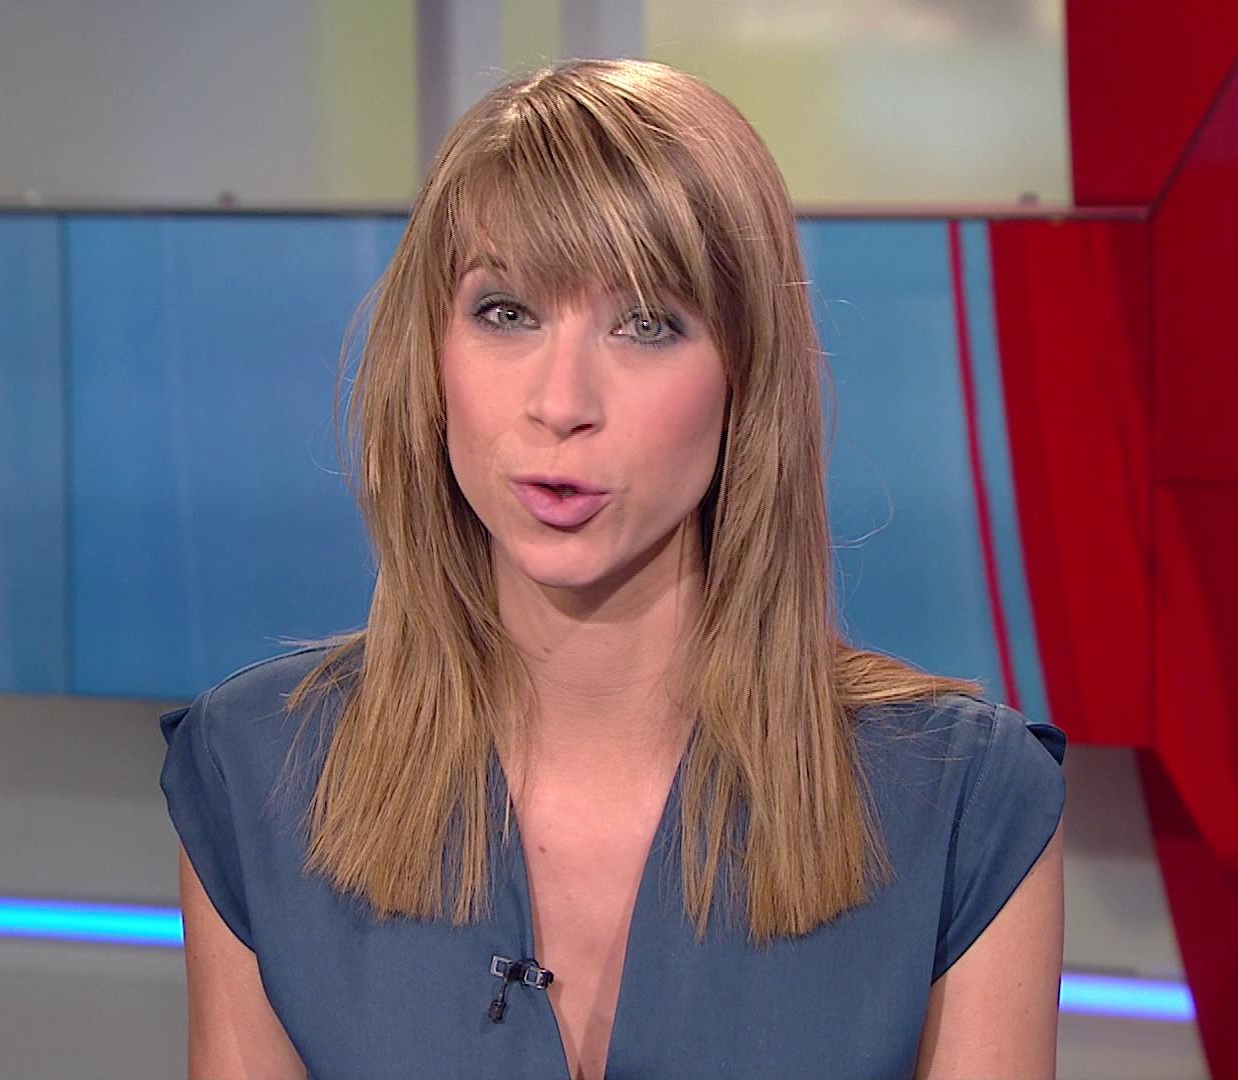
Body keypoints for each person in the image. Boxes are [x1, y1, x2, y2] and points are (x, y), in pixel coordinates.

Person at [160, 56, 1067, 1080]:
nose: (561, 402)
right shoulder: (258, 775)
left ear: (745, 377)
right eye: (506, 312)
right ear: (433, 354)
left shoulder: (961, 804)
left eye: (646, 325)